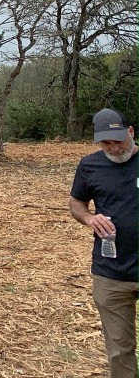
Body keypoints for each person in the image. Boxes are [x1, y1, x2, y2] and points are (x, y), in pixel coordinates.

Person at [69, 108, 139, 378]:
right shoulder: (89, 165)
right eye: (106, 143)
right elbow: (76, 203)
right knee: (120, 350)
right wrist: (88, 218)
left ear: (130, 132)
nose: (113, 148)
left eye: (118, 140)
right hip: (111, 272)